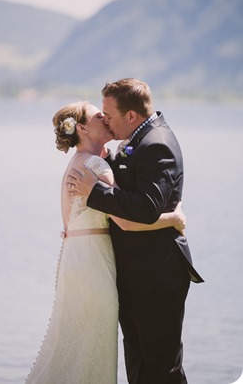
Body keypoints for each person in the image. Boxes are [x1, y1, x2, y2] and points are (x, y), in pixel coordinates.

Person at [25, 100, 188, 384]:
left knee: (75, 344)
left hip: (74, 262)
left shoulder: (74, 163)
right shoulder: (97, 165)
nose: (106, 118)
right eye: (99, 116)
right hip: (95, 269)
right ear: (83, 128)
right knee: (92, 349)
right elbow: (126, 218)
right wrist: (174, 218)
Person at [68, 79, 204, 384]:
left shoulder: (157, 144)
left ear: (131, 116)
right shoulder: (135, 140)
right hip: (134, 274)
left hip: (158, 273)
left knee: (162, 366)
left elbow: (146, 208)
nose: (105, 120)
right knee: (139, 365)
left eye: (109, 115)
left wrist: (95, 193)